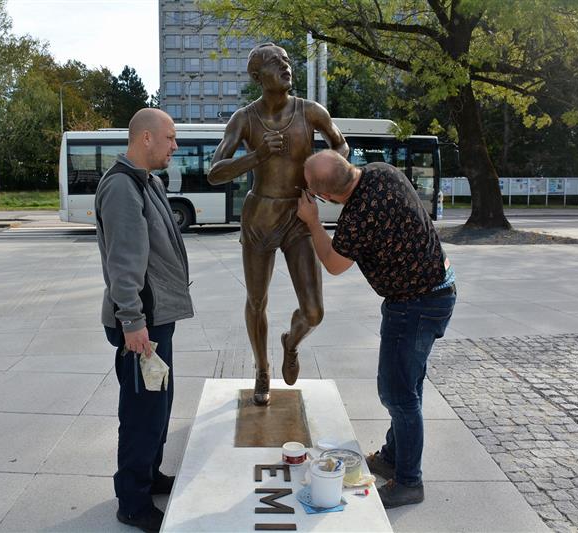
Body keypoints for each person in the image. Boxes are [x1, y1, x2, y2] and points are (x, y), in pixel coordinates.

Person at [297, 150, 456, 509]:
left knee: (398, 395)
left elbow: (334, 264)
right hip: (434, 293)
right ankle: (392, 457)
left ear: (326, 196)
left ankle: (409, 483)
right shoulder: (382, 171)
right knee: (407, 386)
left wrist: (312, 221)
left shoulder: (357, 216)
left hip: (414, 305)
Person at [208, 43, 348, 406]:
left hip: (299, 216)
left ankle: (291, 342)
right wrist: (257, 155)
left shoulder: (311, 111)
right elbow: (214, 172)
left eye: (287, 62)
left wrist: (321, 177)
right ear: (257, 76)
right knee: (257, 301)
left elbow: (341, 147)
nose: (286, 67)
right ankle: (262, 368)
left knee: (314, 311)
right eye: (276, 63)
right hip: (259, 218)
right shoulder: (244, 118)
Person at [95, 108, 194, 532]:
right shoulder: (122, 187)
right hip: (142, 323)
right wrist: (133, 322)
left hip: (156, 318)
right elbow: (125, 262)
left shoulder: (145, 181)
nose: (175, 146)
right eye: (170, 138)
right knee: (142, 412)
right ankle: (132, 502)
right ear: (146, 139)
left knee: (159, 404)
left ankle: (149, 475)